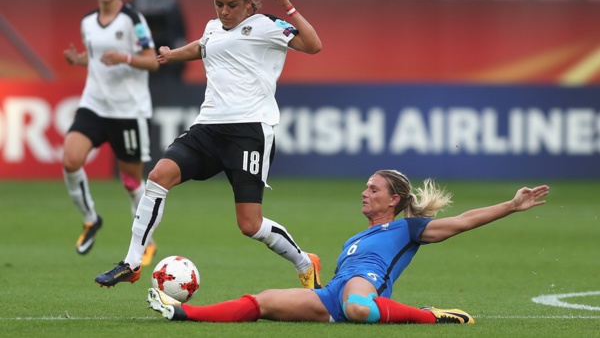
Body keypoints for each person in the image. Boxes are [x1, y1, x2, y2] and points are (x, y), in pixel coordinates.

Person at [94, 0, 323, 289]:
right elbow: (205, 46)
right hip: (208, 127)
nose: (224, 11)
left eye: (232, 5)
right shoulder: (213, 27)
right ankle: (132, 263)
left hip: (249, 132)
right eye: (219, 4)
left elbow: (313, 45)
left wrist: (287, 5)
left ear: (247, 4)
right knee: (159, 176)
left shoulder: (268, 26)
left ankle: (304, 262)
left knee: (250, 224)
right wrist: (173, 54)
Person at [146, 169, 550, 324]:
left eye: (373, 190)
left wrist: (512, 206)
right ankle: (183, 313)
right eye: (365, 187)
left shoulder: (409, 229)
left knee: (359, 306)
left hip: (365, 291)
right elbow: (332, 284)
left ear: (393, 200)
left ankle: (431, 317)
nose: (364, 193)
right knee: (263, 301)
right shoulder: (354, 239)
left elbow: (461, 222)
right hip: (332, 297)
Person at [62, 0, 159, 266]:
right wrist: (81, 59)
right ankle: (91, 219)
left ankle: (146, 241)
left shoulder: (133, 20)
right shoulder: (88, 22)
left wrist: (124, 58)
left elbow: (152, 60)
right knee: (70, 159)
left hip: (128, 110)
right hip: (94, 105)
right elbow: (97, 58)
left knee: (130, 180)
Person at [131, 0, 187, 81]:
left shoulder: (171, 2)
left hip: (166, 51)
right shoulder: (137, 2)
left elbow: (179, 32)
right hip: (144, 52)